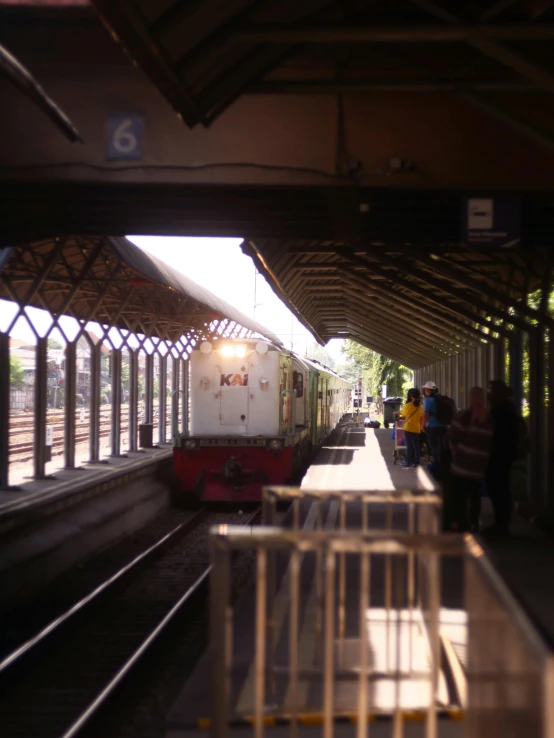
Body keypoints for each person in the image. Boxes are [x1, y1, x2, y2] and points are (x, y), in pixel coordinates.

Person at [447, 387, 494, 532]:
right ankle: (473, 523)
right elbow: (490, 441)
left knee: (458, 495)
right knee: (475, 495)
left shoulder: (464, 416)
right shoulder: (490, 418)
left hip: (461, 465)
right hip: (479, 467)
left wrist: (456, 454)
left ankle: (459, 523)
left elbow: (452, 437)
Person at [484, 380, 520, 535]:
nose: (489, 394)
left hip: (500, 453)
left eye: (491, 391)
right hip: (502, 453)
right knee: (499, 486)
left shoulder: (501, 411)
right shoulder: (505, 409)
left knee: (498, 487)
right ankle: (501, 522)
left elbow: (495, 432)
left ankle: (502, 523)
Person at [421, 381, 447, 468]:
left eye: (425, 389)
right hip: (443, 425)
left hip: (432, 426)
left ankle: (436, 463)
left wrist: (422, 425)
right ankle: (443, 462)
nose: (424, 390)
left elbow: (426, 414)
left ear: (428, 390)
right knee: (442, 444)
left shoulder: (428, 400)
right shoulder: (440, 398)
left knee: (433, 445)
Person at [400, 388, 423, 469]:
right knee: (417, 446)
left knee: (409, 446)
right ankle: (417, 463)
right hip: (417, 428)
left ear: (411, 396)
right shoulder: (421, 406)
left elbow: (403, 414)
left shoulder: (408, 405)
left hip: (408, 428)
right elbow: (421, 417)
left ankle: (408, 462)